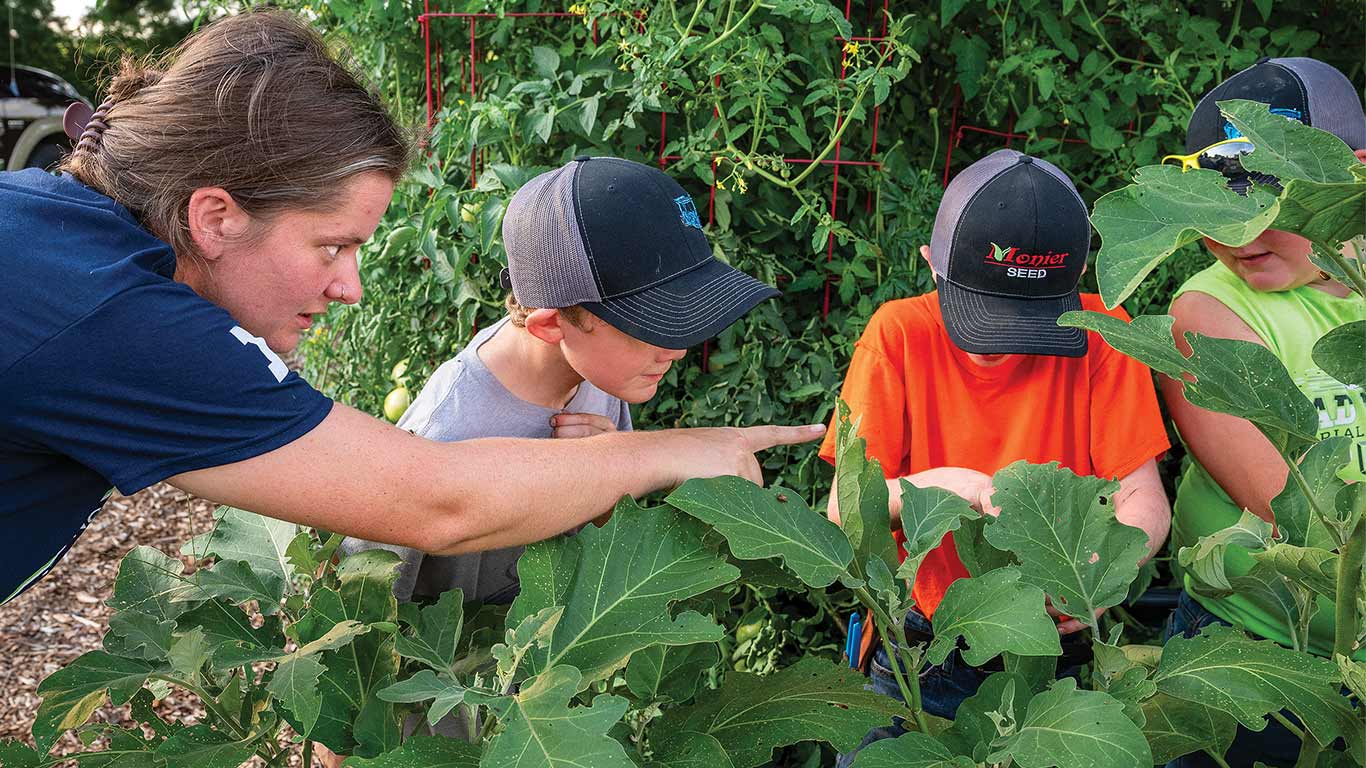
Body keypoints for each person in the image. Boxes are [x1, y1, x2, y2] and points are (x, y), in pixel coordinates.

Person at [0, 9, 822, 607]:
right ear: (215, 217)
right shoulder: (112, 314)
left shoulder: (54, 233)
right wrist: (678, 452)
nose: (350, 286)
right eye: (332, 246)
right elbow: (437, 502)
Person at [821, 149, 1171, 764]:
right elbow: (842, 516)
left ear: (1074, 286)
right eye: (981, 318)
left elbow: (1144, 500)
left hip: (1061, 645)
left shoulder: (1106, 333)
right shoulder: (897, 335)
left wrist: (1096, 571)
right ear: (931, 266)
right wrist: (952, 486)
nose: (1001, 341)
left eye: (1031, 321)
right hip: (927, 645)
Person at [1160, 57, 1366, 768]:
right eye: (1220, 204)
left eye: (1272, 202)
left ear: (1355, 176)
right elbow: (1295, 506)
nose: (1243, 232)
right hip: (1258, 657)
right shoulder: (1207, 309)